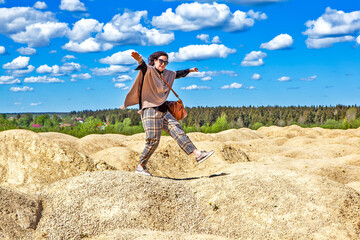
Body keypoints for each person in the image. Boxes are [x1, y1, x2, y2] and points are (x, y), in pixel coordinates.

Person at [120, 50, 214, 176]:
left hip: (164, 111)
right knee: (153, 140)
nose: (163, 64)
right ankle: (141, 166)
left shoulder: (167, 74)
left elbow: (178, 74)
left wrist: (190, 70)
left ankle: (197, 154)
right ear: (154, 60)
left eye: (166, 62)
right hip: (150, 110)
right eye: (161, 61)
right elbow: (142, 66)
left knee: (178, 130)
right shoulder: (149, 70)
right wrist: (139, 60)